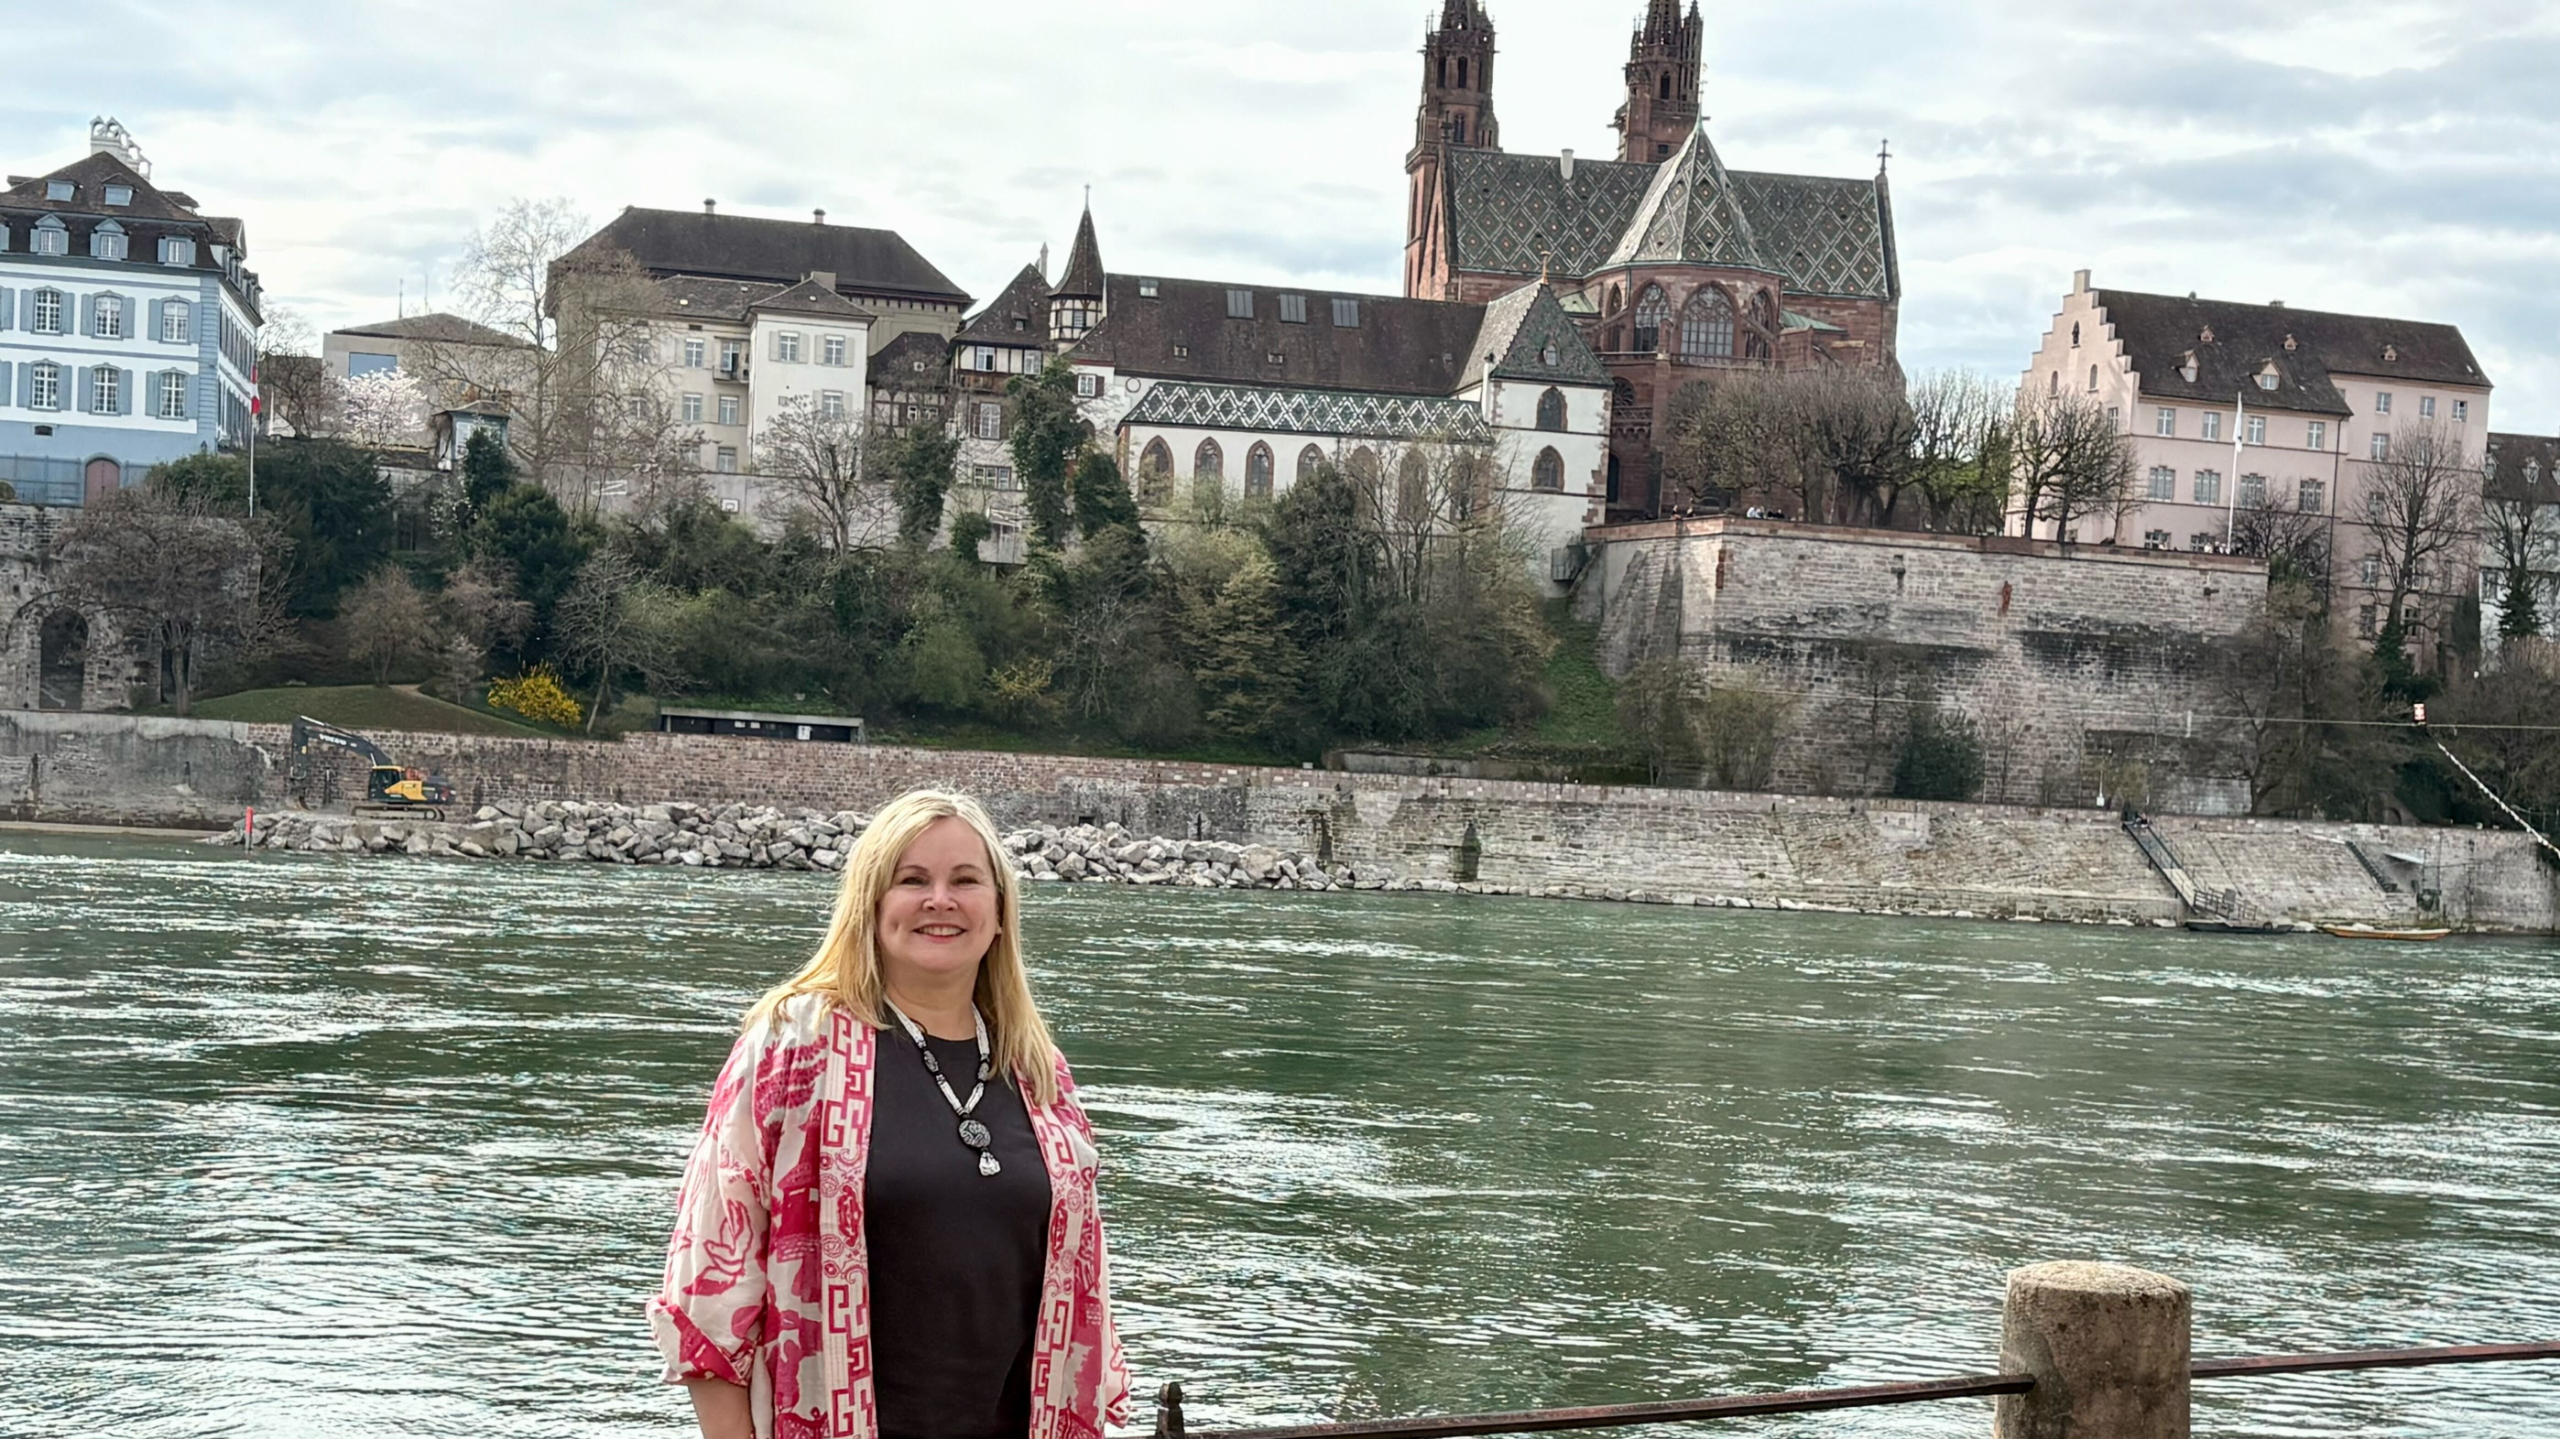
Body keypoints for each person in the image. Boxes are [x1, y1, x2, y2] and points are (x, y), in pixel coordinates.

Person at [648, 790, 1130, 1439]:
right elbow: (709, 1290)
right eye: (912, 879)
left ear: (999, 912)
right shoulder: (793, 1050)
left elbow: (1084, 1304)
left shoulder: (1039, 1071)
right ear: (870, 904)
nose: (940, 899)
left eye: (965, 880)